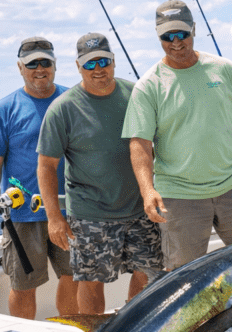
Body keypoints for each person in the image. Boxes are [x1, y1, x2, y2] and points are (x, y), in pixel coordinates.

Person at [123, 0, 232, 270]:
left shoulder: (223, 68)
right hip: (179, 196)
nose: (176, 42)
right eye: (168, 36)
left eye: (182, 34)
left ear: (194, 30)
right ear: (158, 37)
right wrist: (147, 190)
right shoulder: (147, 86)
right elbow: (140, 143)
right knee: (185, 277)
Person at [36, 34, 164, 315]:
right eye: (90, 63)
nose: (98, 69)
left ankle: (132, 328)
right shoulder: (62, 108)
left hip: (141, 209)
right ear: (78, 67)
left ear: (114, 62)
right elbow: (46, 166)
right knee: (91, 282)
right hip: (89, 215)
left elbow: (162, 142)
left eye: (104, 61)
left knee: (149, 274)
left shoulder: (137, 95)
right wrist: (54, 217)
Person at [0, 36, 78, 319]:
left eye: (45, 62)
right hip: (22, 214)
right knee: (23, 285)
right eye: (32, 63)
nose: (39, 69)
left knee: (74, 278)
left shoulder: (74, 101)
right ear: (20, 67)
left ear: (55, 66)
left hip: (69, 209)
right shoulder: (3, 109)